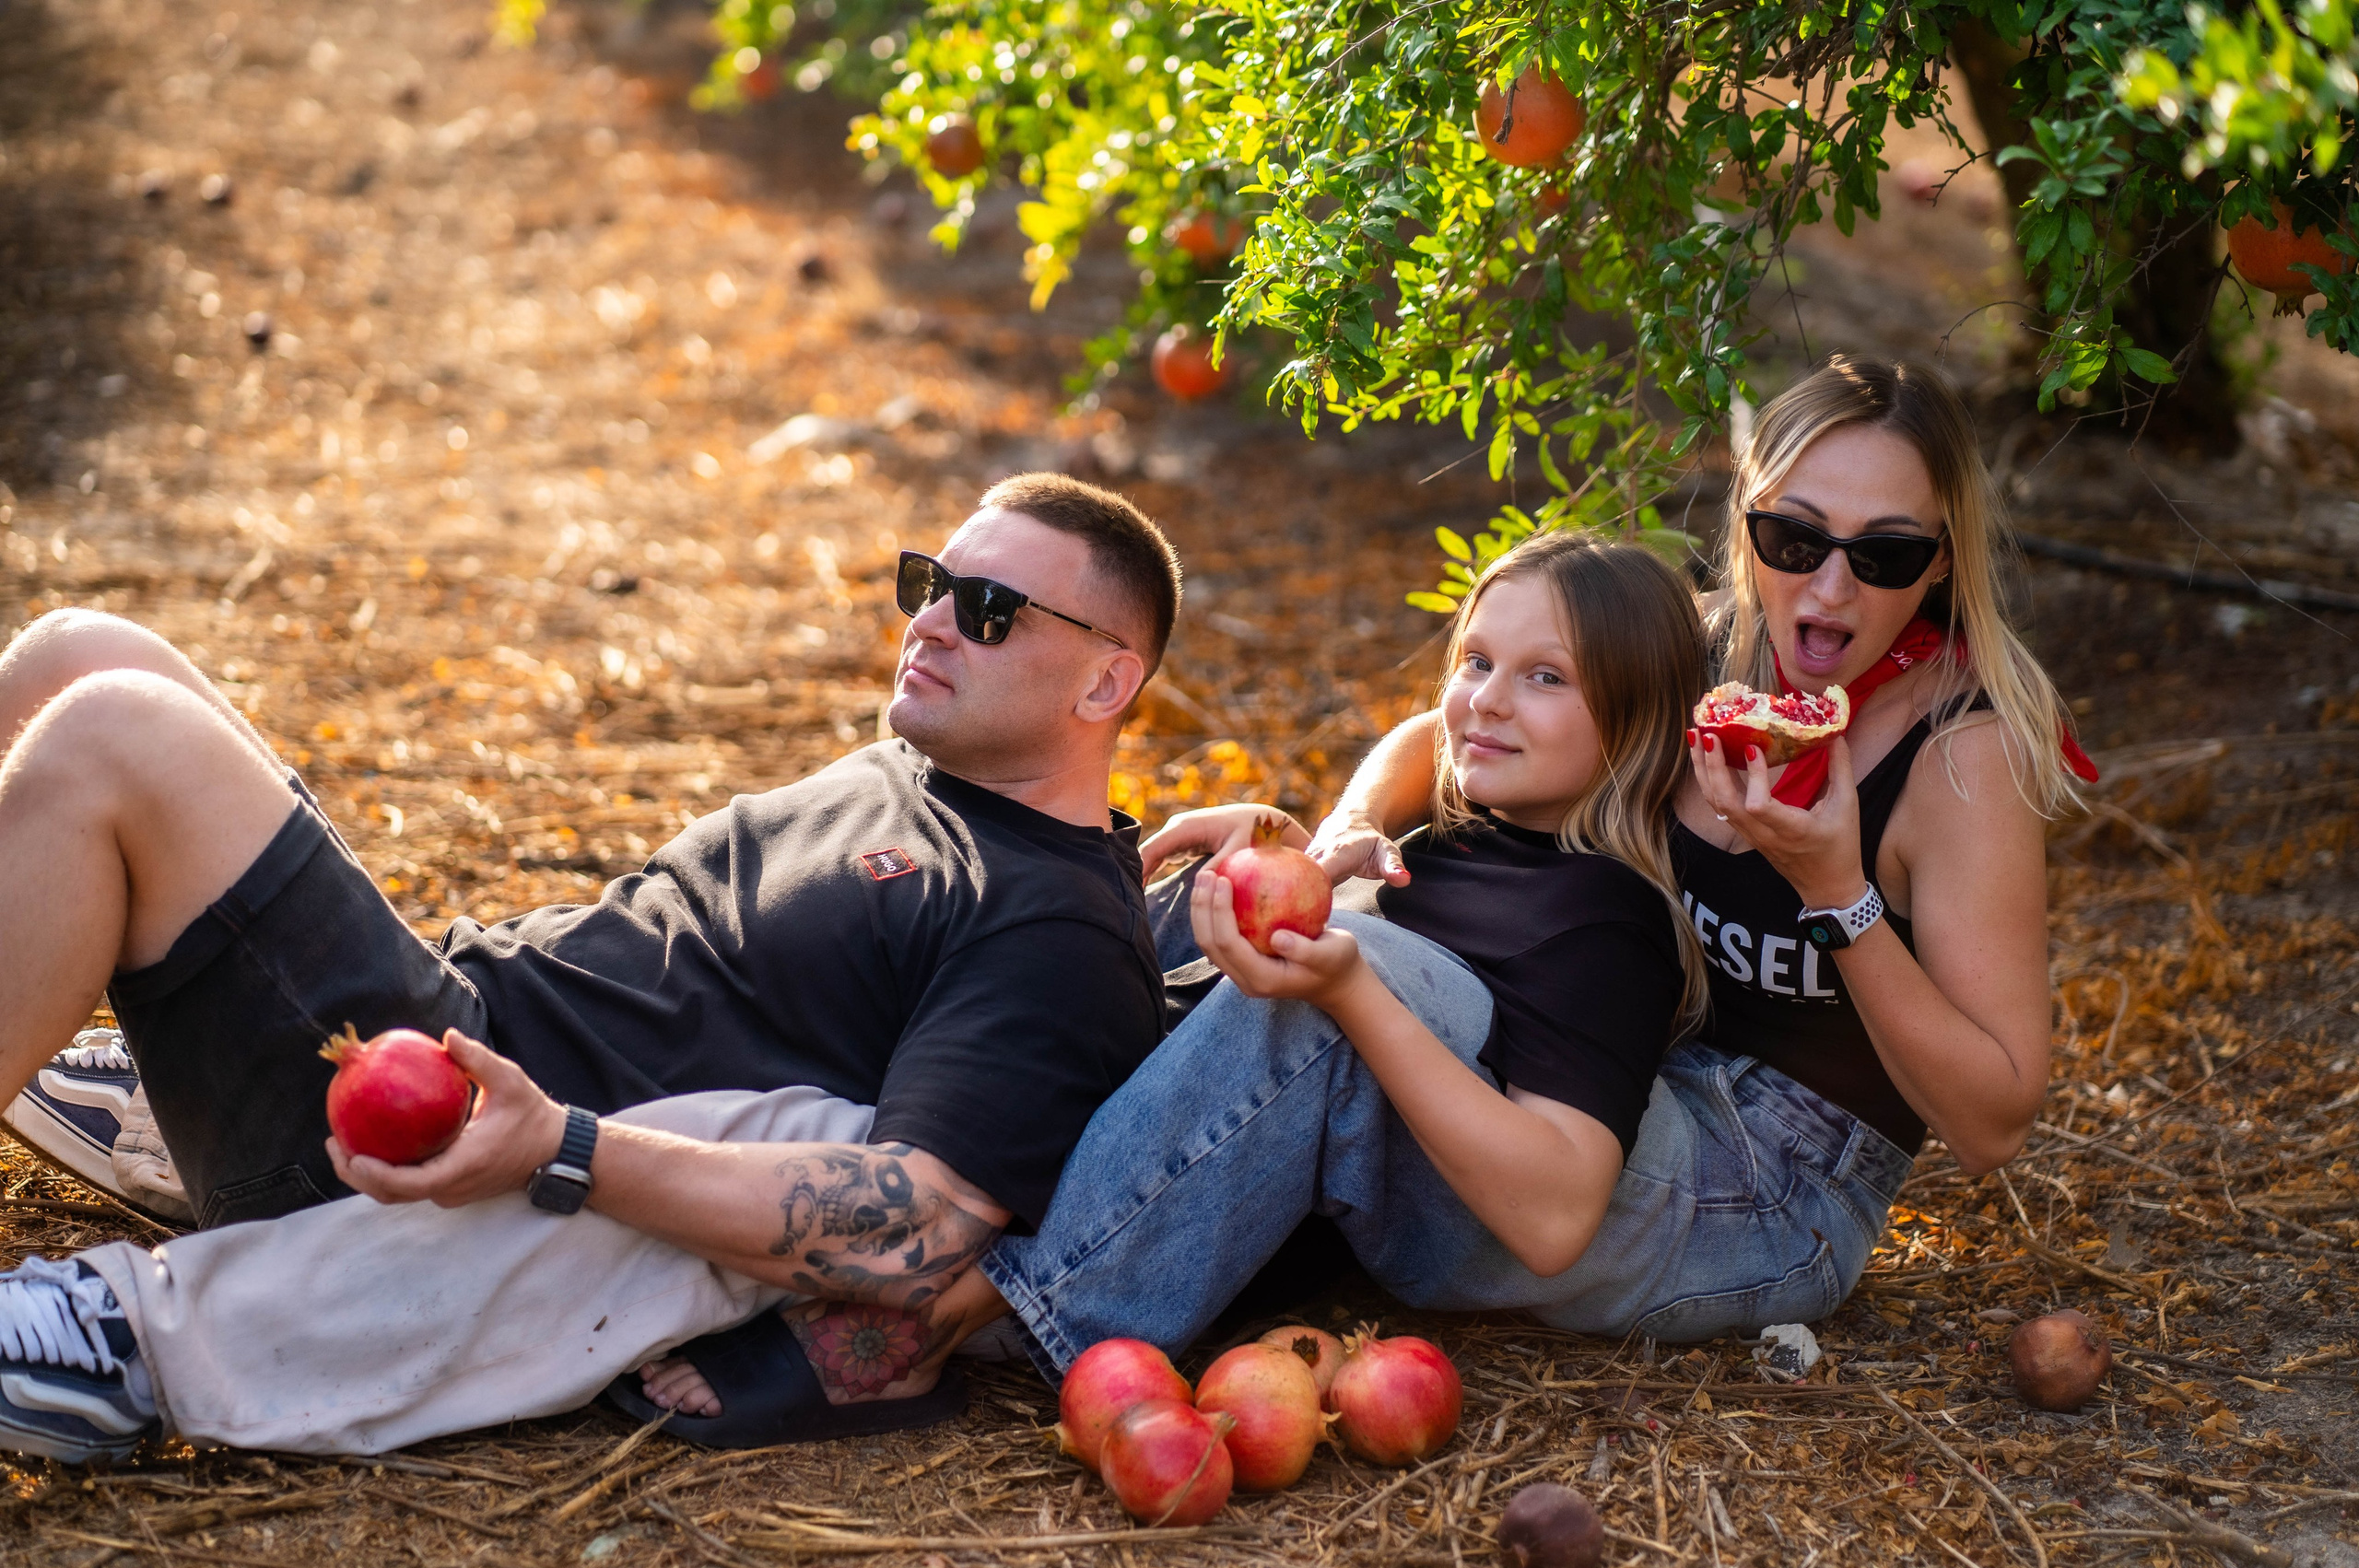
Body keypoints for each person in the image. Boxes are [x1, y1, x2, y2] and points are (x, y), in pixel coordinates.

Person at [631, 353, 2089, 1407]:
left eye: (1884, 551)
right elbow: (1425, 734)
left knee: (1362, 988)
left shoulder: (1960, 764)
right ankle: (902, 1147)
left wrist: (1836, 890)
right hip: (1609, 1058)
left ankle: (985, 1313)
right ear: (1749, 524)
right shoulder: (1707, 650)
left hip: (1762, 1179)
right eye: (1793, 537)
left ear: (1943, 551)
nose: (1830, 588)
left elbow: (1995, 1112)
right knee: (1219, 925)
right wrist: (1323, 840)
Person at [0, 473, 1180, 1462]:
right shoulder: (923, 778)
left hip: (433, 1150)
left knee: (115, 729)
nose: (927, 620)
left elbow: (908, 1230)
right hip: (434, 1020)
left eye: (986, 609)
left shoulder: (1053, 932)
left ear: (1104, 684)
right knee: (74, 651)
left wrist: (560, 1146)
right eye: (928, 583)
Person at [644, 529, 1728, 1419]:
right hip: (1336, 1165)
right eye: (1476, 663)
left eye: (1544, 679)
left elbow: (1551, 1222)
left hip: (1464, 1220)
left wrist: (1346, 989)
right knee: (1141, 911)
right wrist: (1279, 854)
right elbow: (1402, 765)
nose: (1486, 701)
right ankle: (924, 1148)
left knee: (1350, 988)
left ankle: (947, 1313)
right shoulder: (1462, 826)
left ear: (1632, 720)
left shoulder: (1605, 918)